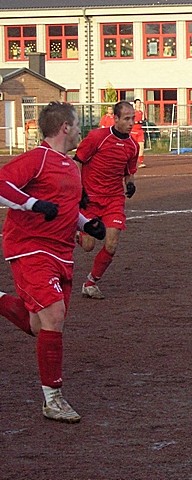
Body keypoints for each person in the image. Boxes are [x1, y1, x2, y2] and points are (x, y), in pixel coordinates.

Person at [0, 101, 106, 423]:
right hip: (30, 248)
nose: (79, 131)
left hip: (61, 253)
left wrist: (86, 223)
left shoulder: (70, 166)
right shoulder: (38, 158)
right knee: (54, 315)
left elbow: (64, 207)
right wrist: (32, 204)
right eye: (76, 126)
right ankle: (53, 399)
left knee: (38, 324)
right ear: (64, 128)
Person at [75, 101, 139, 299]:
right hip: (90, 199)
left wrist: (130, 184)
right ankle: (75, 231)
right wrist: (79, 191)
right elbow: (77, 162)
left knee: (111, 244)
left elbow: (129, 172)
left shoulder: (133, 146)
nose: (131, 123)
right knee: (88, 246)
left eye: (133, 119)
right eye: (126, 119)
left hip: (113, 200)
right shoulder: (97, 137)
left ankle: (91, 282)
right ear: (116, 118)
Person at [131, 99, 146, 168]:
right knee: (133, 147)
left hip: (140, 131)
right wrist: (137, 122)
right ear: (135, 104)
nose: (139, 104)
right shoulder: (132, 112)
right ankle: (131, 162)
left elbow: (142, 121)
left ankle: (141, 162)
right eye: (137, 103)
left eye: (140, 103)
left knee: (141, 146)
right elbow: (131, 121)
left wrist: (142, 121)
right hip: (134, 131)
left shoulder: (141, 112)